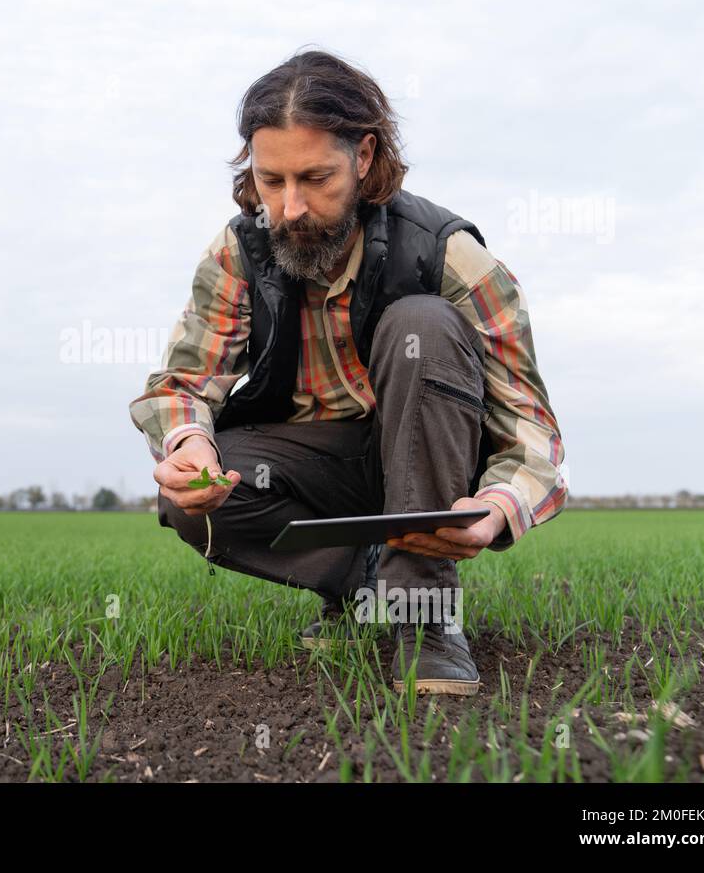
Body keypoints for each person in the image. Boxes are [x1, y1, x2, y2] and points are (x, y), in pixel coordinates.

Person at [128, 49, 568, 695]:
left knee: (423, 324)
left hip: (434, 460)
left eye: (315, 178)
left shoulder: (449, 255)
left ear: (364, 158)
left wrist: (498, 507)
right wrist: (190, 444)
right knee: (187, 502)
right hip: (315, 469)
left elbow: (533, 431)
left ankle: (424, 612)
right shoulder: (238, 252)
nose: (290, 207)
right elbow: (184, 383)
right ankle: (359, 580)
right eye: (271, 181)